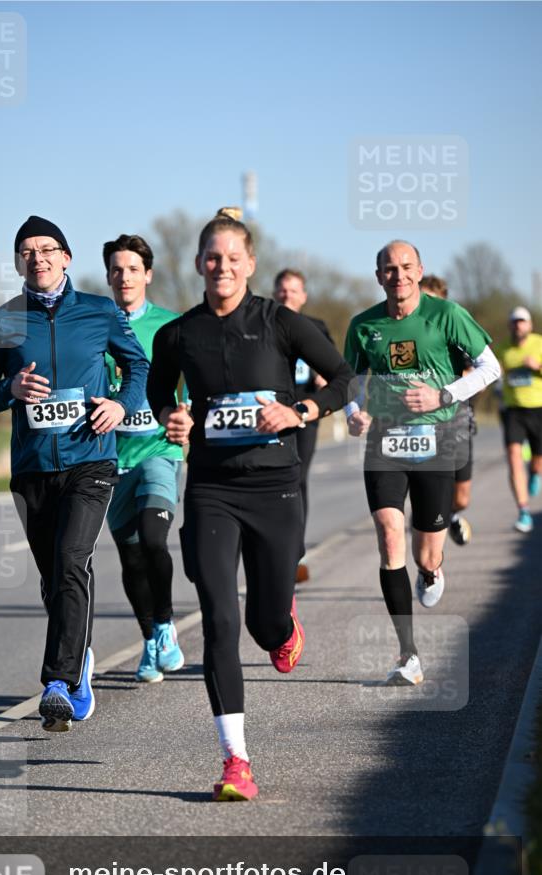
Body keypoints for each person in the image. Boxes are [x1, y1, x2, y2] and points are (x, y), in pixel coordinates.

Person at [148, 210, 354, 801]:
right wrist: (173, 416)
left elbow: (341, 377)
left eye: (233, 258)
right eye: (213, 258)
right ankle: (236, 760)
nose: (222, 267)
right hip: (212, 489)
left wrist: (301, 412)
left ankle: (284, 625)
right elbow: (160, 389)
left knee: (265, 625)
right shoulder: (179, 335)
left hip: (276, 489)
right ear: (197, 264)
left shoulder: (281, 323)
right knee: (219, 618)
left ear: (251, 264)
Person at [0, 215, 148, 731]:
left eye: (48, 249)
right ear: (18, 260)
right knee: (55, 578)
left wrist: (120, 405)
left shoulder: (99, 311)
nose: (38, 257)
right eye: (27, 250)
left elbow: (137, 366)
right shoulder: (0, 321)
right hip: (31, 469)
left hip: (91, 459)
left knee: (72, 560)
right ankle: (81, 658)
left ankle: (59, 682)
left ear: (66, 257)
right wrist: (9, 390)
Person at [344, 241, 500, 686]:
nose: (399, 276)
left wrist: (443, 394)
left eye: (406, 267)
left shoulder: (447, 315)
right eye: (389, 269)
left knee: (425, 549)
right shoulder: (363, 325)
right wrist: (355, 413)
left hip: (438, 438)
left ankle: (431, 570)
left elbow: (490, 369)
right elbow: (353, 383)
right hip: (384, 442)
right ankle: (407, 655)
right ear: (378, 276)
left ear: (420, 270)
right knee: (389, 534)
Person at [103, 234, 185, 682]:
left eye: (133, 269)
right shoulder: (95, 324)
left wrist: (186, 415)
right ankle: (151, 639)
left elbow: (188, 384)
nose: (124, 277)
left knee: (155, 540)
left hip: (159, 448)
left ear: (147, 275)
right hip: (113, 458)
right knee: (131, 558)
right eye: (116, 269)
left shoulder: (170, 326)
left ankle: (167, 624)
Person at [273, 269, 334, 582]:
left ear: (304, 295)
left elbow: (334, 369)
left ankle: (295, 551)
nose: (287, 295)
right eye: (282, 290)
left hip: (305, 414)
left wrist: (323, 377)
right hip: (271, 414)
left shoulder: (316, 327)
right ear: (274, 293)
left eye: (293, 290)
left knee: (298, 479)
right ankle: (276, 550)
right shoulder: (266, 324)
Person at [420, 274, 476, 546]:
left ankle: (451, 516)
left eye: (432, 298)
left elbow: (477, 371)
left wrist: (451, 387)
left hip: (459, 418)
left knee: (462, 496)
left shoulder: (454, 329)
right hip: (425, 423)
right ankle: (428, 551)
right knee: (428, 489)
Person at [495, 306, 542, 533]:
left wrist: (538, 366)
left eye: (522, 321)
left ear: (529, 325)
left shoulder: (539, 344)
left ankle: (535, 472)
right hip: (513, 411)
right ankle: (523, 511)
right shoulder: (503, 349)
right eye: (514, 322)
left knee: (537, 459)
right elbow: (492, 373)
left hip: (539, 409)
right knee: (513, 456)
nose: (518, 325)